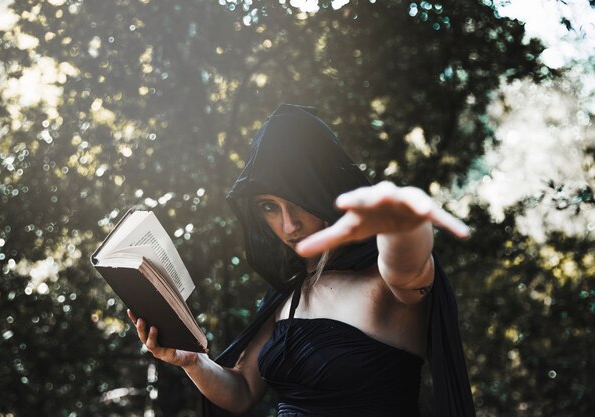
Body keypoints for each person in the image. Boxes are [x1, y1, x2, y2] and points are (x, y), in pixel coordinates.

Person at [127, 104, 476, 417]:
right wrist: (192, 361)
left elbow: (409, 264)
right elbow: (243, 391)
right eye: (269, 207)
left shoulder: (385, 281)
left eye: (298, 201)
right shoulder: (287, 292)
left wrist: (403, 221)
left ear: (325, 191)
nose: (289, 224)